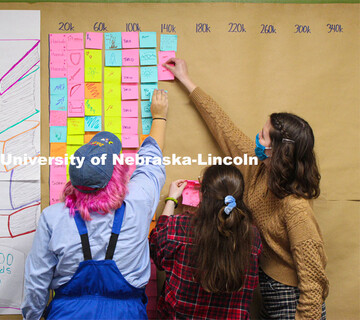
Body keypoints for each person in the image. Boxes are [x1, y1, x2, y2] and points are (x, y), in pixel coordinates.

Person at [163, 58, 328, 320]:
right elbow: (224, 128)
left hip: (292, 298)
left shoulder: (295, 207)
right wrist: (186, 80)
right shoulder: (258, 166)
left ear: (278, 151)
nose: (256, 138)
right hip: (267, 287)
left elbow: (313, 278)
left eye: (263, 136)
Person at [21, 90, 168, 320]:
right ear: (118, 174)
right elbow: (152, 163)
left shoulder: (53, 217)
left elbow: (36, 279)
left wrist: (33, 316)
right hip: (126, 314)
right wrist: (159, 117)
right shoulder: (139, 201)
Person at [150, 165, 262, 319]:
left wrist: (171, 200)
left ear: (202, 194)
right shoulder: (252, 236)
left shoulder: (179, 227)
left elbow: (156, 252)